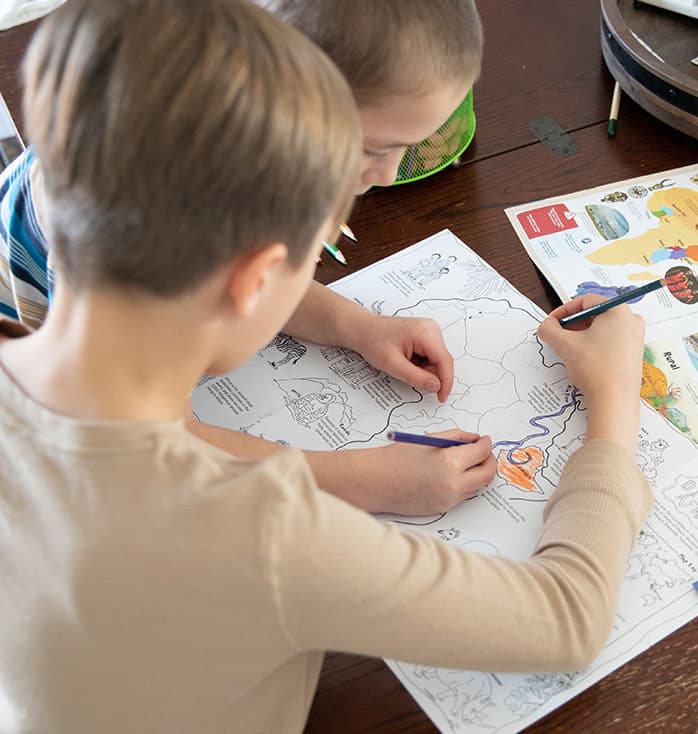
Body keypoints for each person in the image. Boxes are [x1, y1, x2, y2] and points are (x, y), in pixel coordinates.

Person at [0, 2, 652, 732]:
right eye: (322, 249)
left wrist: (349, 322)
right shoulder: (262, 528)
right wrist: (615, 398)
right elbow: (565, 621)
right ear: (255, 279)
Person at [0, 0, 490, 516]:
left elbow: (260, 276)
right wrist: (363, 480)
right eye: (372, 149)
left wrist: (355, 325)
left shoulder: (206, 138)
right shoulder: (155, 231)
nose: (390, 175)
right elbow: (169, 446)